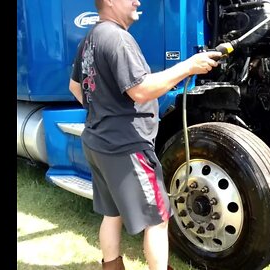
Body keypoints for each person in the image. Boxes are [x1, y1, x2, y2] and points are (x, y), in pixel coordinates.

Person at [68, 0, 222, 270]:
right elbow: (141, 90)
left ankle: (111, 265)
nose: (138, 1)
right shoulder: (117, 38)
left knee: (111, 213)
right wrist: (189, 66)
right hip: (126, 146)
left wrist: (102, 111)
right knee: (158, 219)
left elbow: (74, 87)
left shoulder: (90, 39)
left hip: (97, 141)